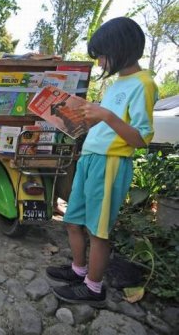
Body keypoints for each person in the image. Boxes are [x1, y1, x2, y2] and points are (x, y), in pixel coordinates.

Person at [46, 17, 158, 307]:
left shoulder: (143, 84)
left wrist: (105, 115)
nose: (100, 64)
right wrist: (75, 118)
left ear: (119, 49)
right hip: (89, 158)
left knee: (99, 230)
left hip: (110, 163)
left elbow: (141, 138)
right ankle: (79, 271)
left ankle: (93, 288)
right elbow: (104, 125)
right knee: (72, 221)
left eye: (102, 56)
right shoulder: (118, 83)